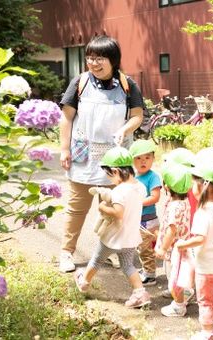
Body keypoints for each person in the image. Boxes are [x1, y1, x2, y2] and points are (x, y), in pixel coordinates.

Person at [58, 35, 144, 273]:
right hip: (83, 154)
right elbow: (66, 117)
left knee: (116, 208)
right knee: (77, 208)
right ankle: (66, 252)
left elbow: (137, 115)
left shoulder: (128, 85)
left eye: (100, 58)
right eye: (90, 58)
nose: (94, 63)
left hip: (116, 159)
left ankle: (112, 251)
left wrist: (126, 128)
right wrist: (64, 148)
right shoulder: (80, 82)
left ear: (113, 60)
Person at [73, 147, 150, 308]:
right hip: (130, 237)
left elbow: (118, 213)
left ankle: (84, 282)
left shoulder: (119, 191)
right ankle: (140, 293)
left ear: (115, 171)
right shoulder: (140, 187)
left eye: (109, 175)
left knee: (97, 259)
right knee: (128, 266)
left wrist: (102, 208)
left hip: (113, 237)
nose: (110, 179)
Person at [175, 160, 213, 340]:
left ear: (204, 185)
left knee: (206, 301)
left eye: (194, 182)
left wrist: (181, 244)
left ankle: (207, 332)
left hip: (206, 268)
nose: (192, 187)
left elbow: (200, 238)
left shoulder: (203, 212)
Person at [155, 162, 193, 317]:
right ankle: (186, 293)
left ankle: (179, 305)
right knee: (181, 273)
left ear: (167, 187)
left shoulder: (173, 206)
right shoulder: (185, 202)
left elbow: (172, 229)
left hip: (173, 249)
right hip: (183, 245)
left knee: (174, 276)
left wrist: (163, 248)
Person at [129, 139, 161, 286]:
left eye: (147, 158)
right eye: (139, 158)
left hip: (147, 219)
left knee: (144, 248)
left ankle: (150, 275)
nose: (143, 162)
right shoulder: (134, 177)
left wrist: (137, 202)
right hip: (138, 219)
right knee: (143, 247)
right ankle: (147, 270)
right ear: (132, 160)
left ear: (153, 159)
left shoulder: (152, 177)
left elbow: (155, 197)